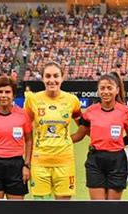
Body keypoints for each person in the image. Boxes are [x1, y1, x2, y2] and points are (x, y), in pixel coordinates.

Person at [71, 72, 128, 200]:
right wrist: (56, 141)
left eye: (109, 88)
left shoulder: (125, 111)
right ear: (98, 91)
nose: (106, 91)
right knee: (98, 207)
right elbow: (78, 135)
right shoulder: (90, 112)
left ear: (117, 90)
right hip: (95, 161)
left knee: (112, 208)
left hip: (117, 161)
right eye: (102, 88)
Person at [24, 61, 81, 200]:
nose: (52, 80)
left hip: (64, 162)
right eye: (47, 76)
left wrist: (68, 140)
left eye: (56, 76)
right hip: (39, 162)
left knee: (63, 212)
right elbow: (25, 129)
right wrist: (26, 162)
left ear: (62, 77)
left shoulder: (72, 100)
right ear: (42, 78)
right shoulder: (33, 100)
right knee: (41, 211)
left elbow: (83, 126)